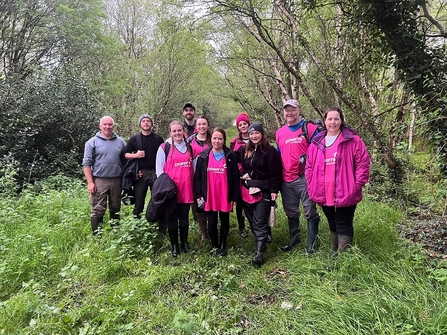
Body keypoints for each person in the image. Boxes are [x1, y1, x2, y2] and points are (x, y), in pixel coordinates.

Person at [305, 107, 370, 253]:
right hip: (324, 191)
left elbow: (363, 163)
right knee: (332, 222)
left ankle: (343, 256)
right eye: (329, 119)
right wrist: (311, 184)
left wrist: (356, 185)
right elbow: (309, 166)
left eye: (336, 119)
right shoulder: (317, 142)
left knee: (344, 222)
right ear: (324, 121)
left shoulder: (352, 140)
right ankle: (335, 251)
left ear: (341, 121)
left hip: (346, 190)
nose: (333, 122)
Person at [276, 99, 321, 254]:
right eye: (287, 110)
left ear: (299, 110)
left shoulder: (310, 128)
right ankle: (294, 239)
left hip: (304, 177)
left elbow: (321, 151)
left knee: (310, 210)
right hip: (286, 178)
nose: (290, 113)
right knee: (291, 211)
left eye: (293, 110)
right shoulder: (280, 133)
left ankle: (312, 244)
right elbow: (278, 155)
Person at [237, 122, 282, 265]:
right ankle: (261, 241)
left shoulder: (269, 151)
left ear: (261, 134)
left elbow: (276, 173)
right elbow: (235, 162)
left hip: (264, 190)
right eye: (251, 134)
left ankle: (259, 253)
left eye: (256, 133)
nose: (254, 136)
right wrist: (243, 173)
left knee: (259, 221)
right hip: (247, 190)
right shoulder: (245, 150)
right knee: (251, 221)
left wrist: (274, 190)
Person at [194, 128, 240, 256]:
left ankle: (222, 245)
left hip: (225, 195)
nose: (217, 141)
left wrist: (234, 196)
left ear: (224, 140)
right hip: (210, 195)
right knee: (212, 222)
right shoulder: (203, 156)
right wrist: (198, 195)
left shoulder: (230, 156)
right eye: (214, 138)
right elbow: (197, 178)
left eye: (220, 138)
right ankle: (214, 245)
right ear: (211, 139)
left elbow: (236, 178)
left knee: (225, 220)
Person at [156, 121, 194, 257]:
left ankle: (184, 242)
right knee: (172, 217)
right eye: (174, 131)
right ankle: (174, 246)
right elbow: (159, 171)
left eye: (179, 130)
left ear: (183, 131)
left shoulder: (189, 147)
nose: (177, 133)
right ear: (170, 133)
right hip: (171, 190)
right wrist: (164, 189)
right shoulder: (164, 147)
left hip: (186, 188)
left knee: (184, 217)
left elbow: (193, 168)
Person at [82, 116, 126, 235]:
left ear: (113, 126)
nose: (107, 127)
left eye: (110, 124)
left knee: (115, 207)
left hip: (117, 179)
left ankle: (115, 234)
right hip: (99, 180)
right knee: (98, 209)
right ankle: (97, 237)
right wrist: (90, 182)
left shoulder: (120, 142)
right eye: (105, 124)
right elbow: (86, 164)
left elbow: (126, 160)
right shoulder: (92, 142)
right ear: (100, 126)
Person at [123, 114, 164, 219]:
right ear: (140, 124)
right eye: (143, 121)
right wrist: (135, 155)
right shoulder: (134, 139)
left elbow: (164, 155)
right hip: (140, 174)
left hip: (156, 173)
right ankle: (137, 225)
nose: (146, 123)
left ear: (151, 123)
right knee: (139, 201)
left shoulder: (158, 139)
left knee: (158, 199)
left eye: (148, 121)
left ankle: (157, 223)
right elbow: (125, 154)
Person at [187, 116, 212, 242]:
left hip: (211, 176)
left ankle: (213, 228)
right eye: (199, 124)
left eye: (204, 124)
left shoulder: (213, 139)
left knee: (210, 201)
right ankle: (203, 232)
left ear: (208, 125)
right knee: (199, 203)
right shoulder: (190, 140)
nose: (202, 126)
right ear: (196, 126)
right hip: (195, 175)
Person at [229, 112, 250, 238]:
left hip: (254, 175)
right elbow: (233, 159)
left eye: (245, 123)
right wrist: (241, 172)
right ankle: (241, 227)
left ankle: (256, 225)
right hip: (240, 176)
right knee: (240, 202)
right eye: (240, 124)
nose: (243, 126)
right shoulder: (234, 141)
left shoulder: (255, 136)